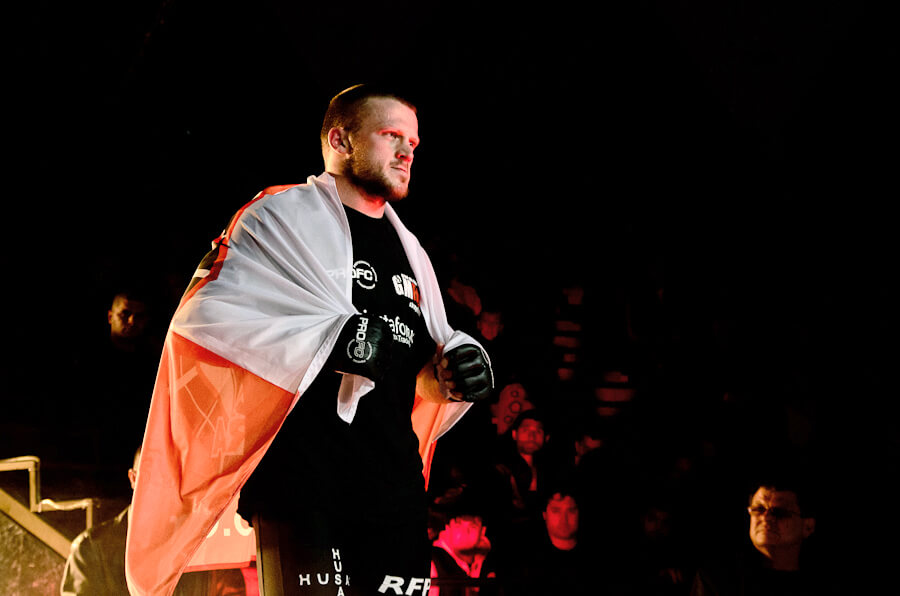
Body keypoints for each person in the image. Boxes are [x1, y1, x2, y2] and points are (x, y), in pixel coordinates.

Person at [125, 84, 493, 596]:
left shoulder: (413, 251)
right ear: (340, 141)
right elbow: (205, 318)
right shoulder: (278, 217)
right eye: (391, 135)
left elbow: (414, 376)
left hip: (395, 492)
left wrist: (453, 375)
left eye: (412, 142)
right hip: (302, 488)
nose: (407, 151)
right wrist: (332, 336)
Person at [61, 449, 248, 595]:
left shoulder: (204, 547)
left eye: (172, 477)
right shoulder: (92, 549)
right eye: (154, 475)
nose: (164, 487)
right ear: (133, 479)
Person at [690, 478, 830, 596]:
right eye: (758, 509)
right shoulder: (717, 579)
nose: (766, 517)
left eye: (779, 512)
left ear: (808, 527)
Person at [497, 488, 593, 596]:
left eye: (571, 511)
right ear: (545, 514)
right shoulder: (525, 562)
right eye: (556, 511)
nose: (564, 519)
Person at [428, 508, 497, 596]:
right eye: (458, 526)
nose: (465, 532)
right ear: (447, 529)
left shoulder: (490, 562)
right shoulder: (433, 562)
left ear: (482, 531)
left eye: (472, 527)